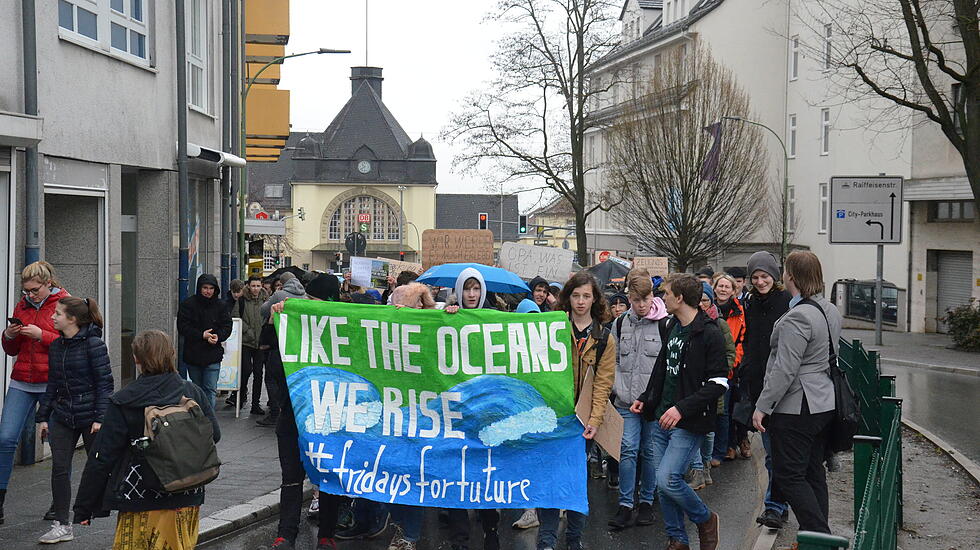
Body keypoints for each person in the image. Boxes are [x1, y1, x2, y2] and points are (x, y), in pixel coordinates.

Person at [73, 330, 220, 550]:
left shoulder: (124, 400)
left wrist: (85, 507)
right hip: (188, 493)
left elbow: (102, 457)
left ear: (136, 359)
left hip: (140, 496)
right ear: (171, 354)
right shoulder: (191, 391)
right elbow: (214, 434)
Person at [631, 274, 725, 550]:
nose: (662, 298)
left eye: (666, 293)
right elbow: (663, 368)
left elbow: (719, 383)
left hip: (688, 420)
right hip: (661, 417)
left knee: (667, 478)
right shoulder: (671, 326)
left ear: (680, 297)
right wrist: (646, 399)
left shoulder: (710, 332)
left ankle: (706, 519)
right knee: (664, 485)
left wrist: (681, 409)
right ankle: (677, 540)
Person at [753, 251, 841, 535]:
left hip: (797, 407)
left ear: (791, 276)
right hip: (824, 402)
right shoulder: (829, 309)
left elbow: (784, 370)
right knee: (814, 472)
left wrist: (762, 406)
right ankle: (815, 536)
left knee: (788, 474)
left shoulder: (798, 317)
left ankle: (820, 534)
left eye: (785, 270)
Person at [263, 273, 344, 550]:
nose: (306, 304)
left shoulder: (346, 327)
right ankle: (285, 535)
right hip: (293, 415)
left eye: (313, 300)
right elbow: (273, 366)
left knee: (328, 477)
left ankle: (326, 535)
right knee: (291, 478)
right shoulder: (295, 321)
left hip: (330, 417)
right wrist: (277, 322)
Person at [535, 271, 616, 550]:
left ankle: (573, 541)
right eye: (576, 295)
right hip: (554, 417)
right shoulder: (551, 327)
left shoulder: (605, 338)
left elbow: (603, 385)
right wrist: (455, 309)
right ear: (567, 297)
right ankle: (546, 541)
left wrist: (594, 421)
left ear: (595, 300)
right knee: (549, 480)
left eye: (586, 296)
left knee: (574, 483)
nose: (581, 301)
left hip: (583, 422)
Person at [34, 297, 113, 544]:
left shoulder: (94, 344)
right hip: (63, 414)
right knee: (59, 468)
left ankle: (125, 512)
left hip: (90, 417)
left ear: (73, 319)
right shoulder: (57, 346)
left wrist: (100, 418)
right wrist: (43, 417)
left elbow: (105, 384)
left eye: (57, 313)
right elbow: (54, 384)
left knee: (101, 468)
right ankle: (62, 524)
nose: (52, 317)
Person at [0, 261, 69, 524]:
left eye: (34, 290)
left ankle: (58, 504)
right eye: (26, 291)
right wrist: (8, 334)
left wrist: (42, 335)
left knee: (59, 445)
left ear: (48, 283)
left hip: (53, 384)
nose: (30, 295)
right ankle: (0, 502)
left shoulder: (66, 304)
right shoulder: (23, 306)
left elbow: (71, 343)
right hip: (22, 380)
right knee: (5, 439)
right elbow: (12, 349)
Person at [444, 268, 501, 550]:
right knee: (456, 473)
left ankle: (491, 530)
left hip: (483, 412)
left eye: (476, 289)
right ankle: (459, 537)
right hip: (455, 411)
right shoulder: (448, 316)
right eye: (467, 289)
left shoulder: (494, 320)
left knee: (484, 473)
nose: (471, 294)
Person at [608, 272, 668, 531]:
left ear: (652, 296)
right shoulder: (621, 323)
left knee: (650, 451)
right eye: (635, 300)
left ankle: (646, 501)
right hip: (625, 400)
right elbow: (613, 360)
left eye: (645, 299)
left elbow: (667, 366)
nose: (641, 305)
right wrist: (617, 387)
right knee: (628, 450)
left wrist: (656, 399)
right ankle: (625, 504)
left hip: (652, 404)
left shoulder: (665, 324)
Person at [740, 251, 792, 529]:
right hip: (757, 384)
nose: (760, 282)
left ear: (775, 276)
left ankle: (775, 506)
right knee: (773, 451)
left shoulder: (786, 303)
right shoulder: (749, 303)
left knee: (776, 452)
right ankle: (778, 504)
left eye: (765, 276)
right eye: (756, 277)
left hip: (781, 386)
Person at [687, 282, 736, 491]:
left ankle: (705, 464)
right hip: (693, 385)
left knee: (708, 430)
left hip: (713, 384)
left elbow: (730, 353)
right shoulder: (688, 323)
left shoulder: (720, 324)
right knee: (694, 429)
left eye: (705, 300)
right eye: (699, 301)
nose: (702, 305)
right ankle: (698, 470)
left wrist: (718, 371)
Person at [256, 273, 307, 427]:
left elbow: (263, 311)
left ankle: (274, 412)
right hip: (297, 344)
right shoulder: (305, 296)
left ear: (283, 283)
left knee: (271, 378)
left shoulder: (279, 294)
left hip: (278, 342)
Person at [176, 274, 232, 409]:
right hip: (194, 354)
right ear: (199, 288)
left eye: (211, 288)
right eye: (205, 288)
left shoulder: (221, 306)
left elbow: (227, 326)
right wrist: (201, 335)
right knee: (197, 390)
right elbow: (183, 327)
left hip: (212, 354)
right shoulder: (188, 305)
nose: (208, 291)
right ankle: (200, 418)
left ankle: (208, 420)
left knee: (210, 390)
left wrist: (218, 336)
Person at [712, 274, 745, 463]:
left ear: (733, 291)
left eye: (727, 287)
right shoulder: (708, 309)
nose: (723, 289)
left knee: (724, 411)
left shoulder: (739, 312)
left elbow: (741, 341)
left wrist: (733, 363)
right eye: (720, 286)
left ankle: (723, 448)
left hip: (729, 369)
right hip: (709, 366)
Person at [228, 276, 268, 414]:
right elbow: (236, 317)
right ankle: (242, 394)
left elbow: (269, 317)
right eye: (253, 286)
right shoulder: (242, 300)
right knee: (246, 370)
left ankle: (255, 404)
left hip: (261, 343)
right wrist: (248, 330)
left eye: (258, 286)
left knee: (258, 373)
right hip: (246, 341)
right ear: (249, 286)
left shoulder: (266, 300)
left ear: (261, 286)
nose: (256, 288)